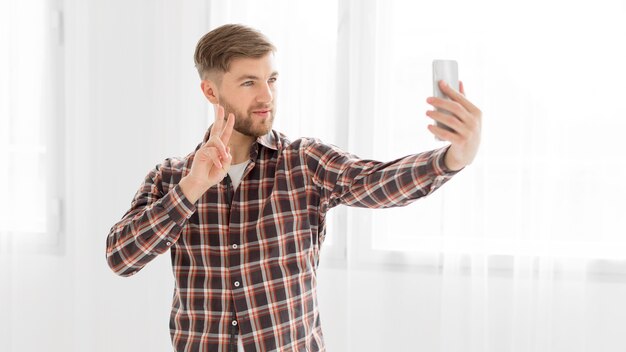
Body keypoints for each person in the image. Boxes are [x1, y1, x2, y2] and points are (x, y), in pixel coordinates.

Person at [106, 23, 482, 352]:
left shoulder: (303, 162)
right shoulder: (171, 177)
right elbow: (121, 258)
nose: (266, 96)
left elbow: (375, 181)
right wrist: (190, 190)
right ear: (210, 91)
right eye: (249, 82)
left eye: (271, 79)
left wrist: (451, 158)